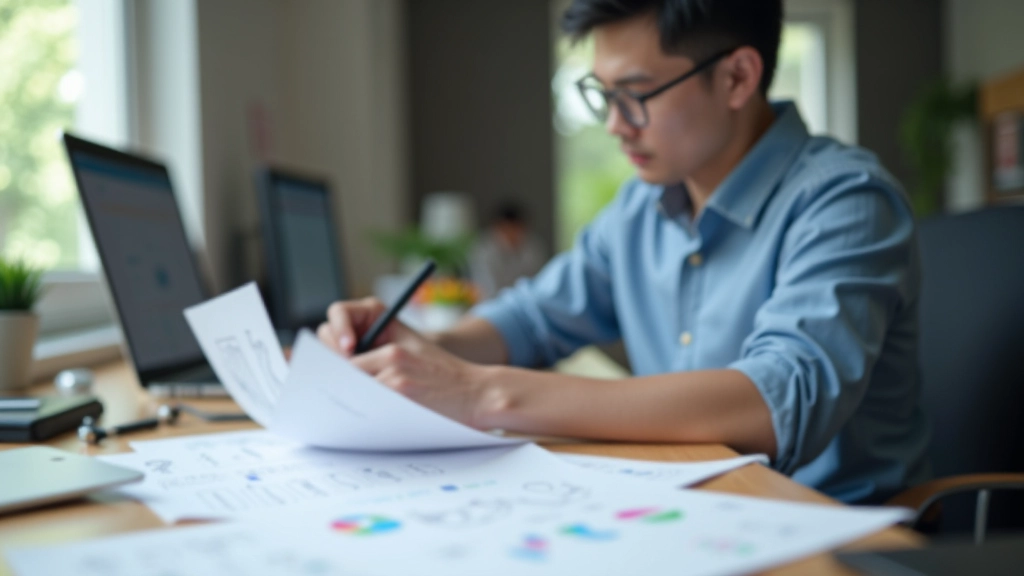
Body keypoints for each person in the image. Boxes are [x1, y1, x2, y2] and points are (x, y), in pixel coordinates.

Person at [318, 0, 930, 504]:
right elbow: (534, 317)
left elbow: (774, 401)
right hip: (685, 511)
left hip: (821, 535)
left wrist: (481, 393)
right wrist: (418, 349)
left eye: (636, 94)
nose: (614, 125)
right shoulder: (641, 208)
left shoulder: (845, 201)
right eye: (602, 93)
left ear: (738, 76)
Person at [469, 203, 548, 300]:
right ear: (497, 228)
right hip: (493, 303)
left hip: (526, 302)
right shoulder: (483, 250)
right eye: (508, 229)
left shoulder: (533, 246)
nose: (513, 234)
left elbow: (538, 281)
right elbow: (487, 287)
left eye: (517, 229)